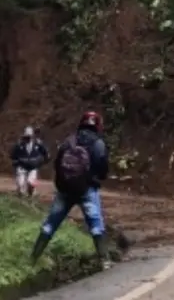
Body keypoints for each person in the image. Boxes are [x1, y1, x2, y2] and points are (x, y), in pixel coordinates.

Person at [30, 110, 112, 269]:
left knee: (50, 224)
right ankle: (105, 260)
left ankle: (32, 259)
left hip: (65, 190)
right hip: (86, 190)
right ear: (98, 125)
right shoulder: (98, 143)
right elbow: (102, 167)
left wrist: (63, 182)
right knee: (95, 223)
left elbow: (57, 163)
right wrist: (96, 178)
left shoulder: (69, 140)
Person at [10, 126, 49, 198]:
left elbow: (45, 152)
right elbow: (13, 155)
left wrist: (43, 160)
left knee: (31, 183)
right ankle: (21, 196)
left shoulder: (38, 144)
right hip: (22, 166)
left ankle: (31, 194)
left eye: (29, 137)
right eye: (26, 137)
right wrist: (16, 162)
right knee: (21, 185)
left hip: (33, 166)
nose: (28, 139)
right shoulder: (19, 145)